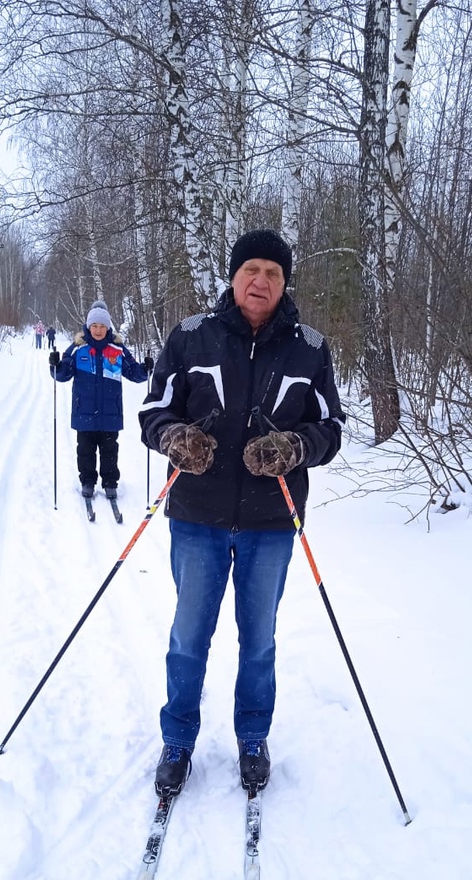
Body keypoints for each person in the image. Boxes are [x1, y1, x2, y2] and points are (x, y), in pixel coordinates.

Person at [139, 229, 345, 798]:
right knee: (189, 636)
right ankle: (177, 740)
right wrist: (174, 437)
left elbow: (332, 426)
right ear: (233, 276)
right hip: (197, 517)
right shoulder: (190, 336)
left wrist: (296, 447)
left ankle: (253, 738)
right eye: (251, 269)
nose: (261, 280)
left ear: (285, 283)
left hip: (271, 522)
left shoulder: (310, 348)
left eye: (273, 273)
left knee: (258, 641)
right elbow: (153, 411)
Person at [50, 300, 148, 499]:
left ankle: (110, 483)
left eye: (102, 326)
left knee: (110, 451)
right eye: (94, 326)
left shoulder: (117, 349)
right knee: (85, 451)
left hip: (110, 413)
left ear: (108, 327)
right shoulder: (78, 348)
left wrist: (145, 369)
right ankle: (87, 481)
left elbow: (134, 373)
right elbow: (62, 375)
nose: (98, 330)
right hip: (84, 412)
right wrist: (56, 365)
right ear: (88, 326)